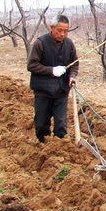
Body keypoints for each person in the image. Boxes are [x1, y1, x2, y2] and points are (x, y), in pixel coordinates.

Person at [27, 14, 79, 143]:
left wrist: (72, 77)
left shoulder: (69, 43)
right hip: (43, 91)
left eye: (66, 31)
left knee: (61, 125)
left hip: (61, 91)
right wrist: (51, 70)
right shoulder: (40, 43)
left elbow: (75, 63)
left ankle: (59, 148)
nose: (62, 34)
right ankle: (43, 146)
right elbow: (32, 65)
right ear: (52, 28)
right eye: (59, 30)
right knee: (41, 125)